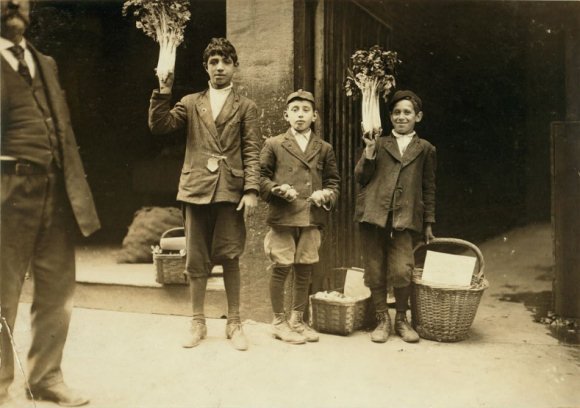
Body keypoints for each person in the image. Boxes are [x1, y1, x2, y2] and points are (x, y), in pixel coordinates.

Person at [0, 0, 101, 405]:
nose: (13, 4)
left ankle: (45, 378)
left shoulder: (46, 63)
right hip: (7, 192)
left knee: (57, 291)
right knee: (1, 293)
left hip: (55, 193)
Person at [148, 38, 260, 351]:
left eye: (225, 61)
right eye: (214, 62)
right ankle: (197, 322)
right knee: (196, 258)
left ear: (235, 66)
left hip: (230, 190)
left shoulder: (247, 107)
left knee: (230, 255)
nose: (220, 67)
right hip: (195, 188)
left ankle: (234, 322)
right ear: (205, 67)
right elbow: (160, 125)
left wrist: (251, 189)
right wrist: (163, 90)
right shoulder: (190, 102)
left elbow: (252, 150)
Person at [354, 90, 436, 344]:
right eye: (397, 112)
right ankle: (382, 319)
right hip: (374, 216)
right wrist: (368, 153)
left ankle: (401, 318)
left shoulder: (425, 149)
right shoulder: (378, 144)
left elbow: (429, 187)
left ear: (418, 117)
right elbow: (361, 177)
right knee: (374, 269)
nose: (402, 117)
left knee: (402, 269)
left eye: (407, 113)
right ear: (390, 116)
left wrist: (429, 222)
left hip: (405, 218)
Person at [260, 89, 340, 344]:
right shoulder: (274, 144)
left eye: (306, 110)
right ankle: (278, 321)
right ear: (286, 115)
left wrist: (326, 194)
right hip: (284, 217)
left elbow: (334, 182)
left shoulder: (324, 148)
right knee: (281, 267)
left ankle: (297, 319)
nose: (300, 115)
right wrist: (276, 189)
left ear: (314, 116)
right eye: (295, 110)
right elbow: (260, 178)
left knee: (304, 269)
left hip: (311, 217)